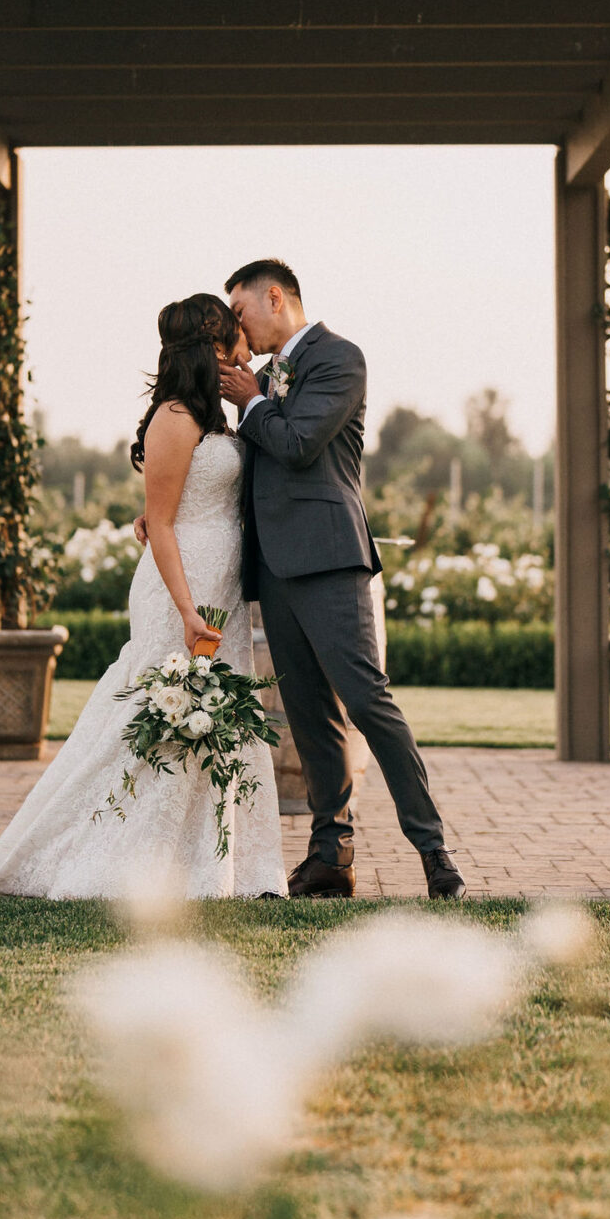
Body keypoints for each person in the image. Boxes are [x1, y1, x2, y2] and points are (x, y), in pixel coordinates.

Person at [0, 295, 284, 905]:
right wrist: (189, 609)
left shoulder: (215, 416)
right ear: (214, 349)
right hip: (183, 588)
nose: (248, 345)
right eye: (236, 338)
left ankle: (222, 867)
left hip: (220, 580)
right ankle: (111, 860)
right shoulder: (174, 415)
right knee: (161, 712)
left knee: (218, 718)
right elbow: (164, 523)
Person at [221, 259, 463, 901]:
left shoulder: (338, 359)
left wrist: (250, 402)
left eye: (241, 312)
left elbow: (299, 443)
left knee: (366, 700)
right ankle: (331, 854)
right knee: (308, 716)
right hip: (274, 567)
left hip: (330, 559)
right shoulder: (267, 377)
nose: (237, 329)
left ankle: (433, 851)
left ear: (275, 297)